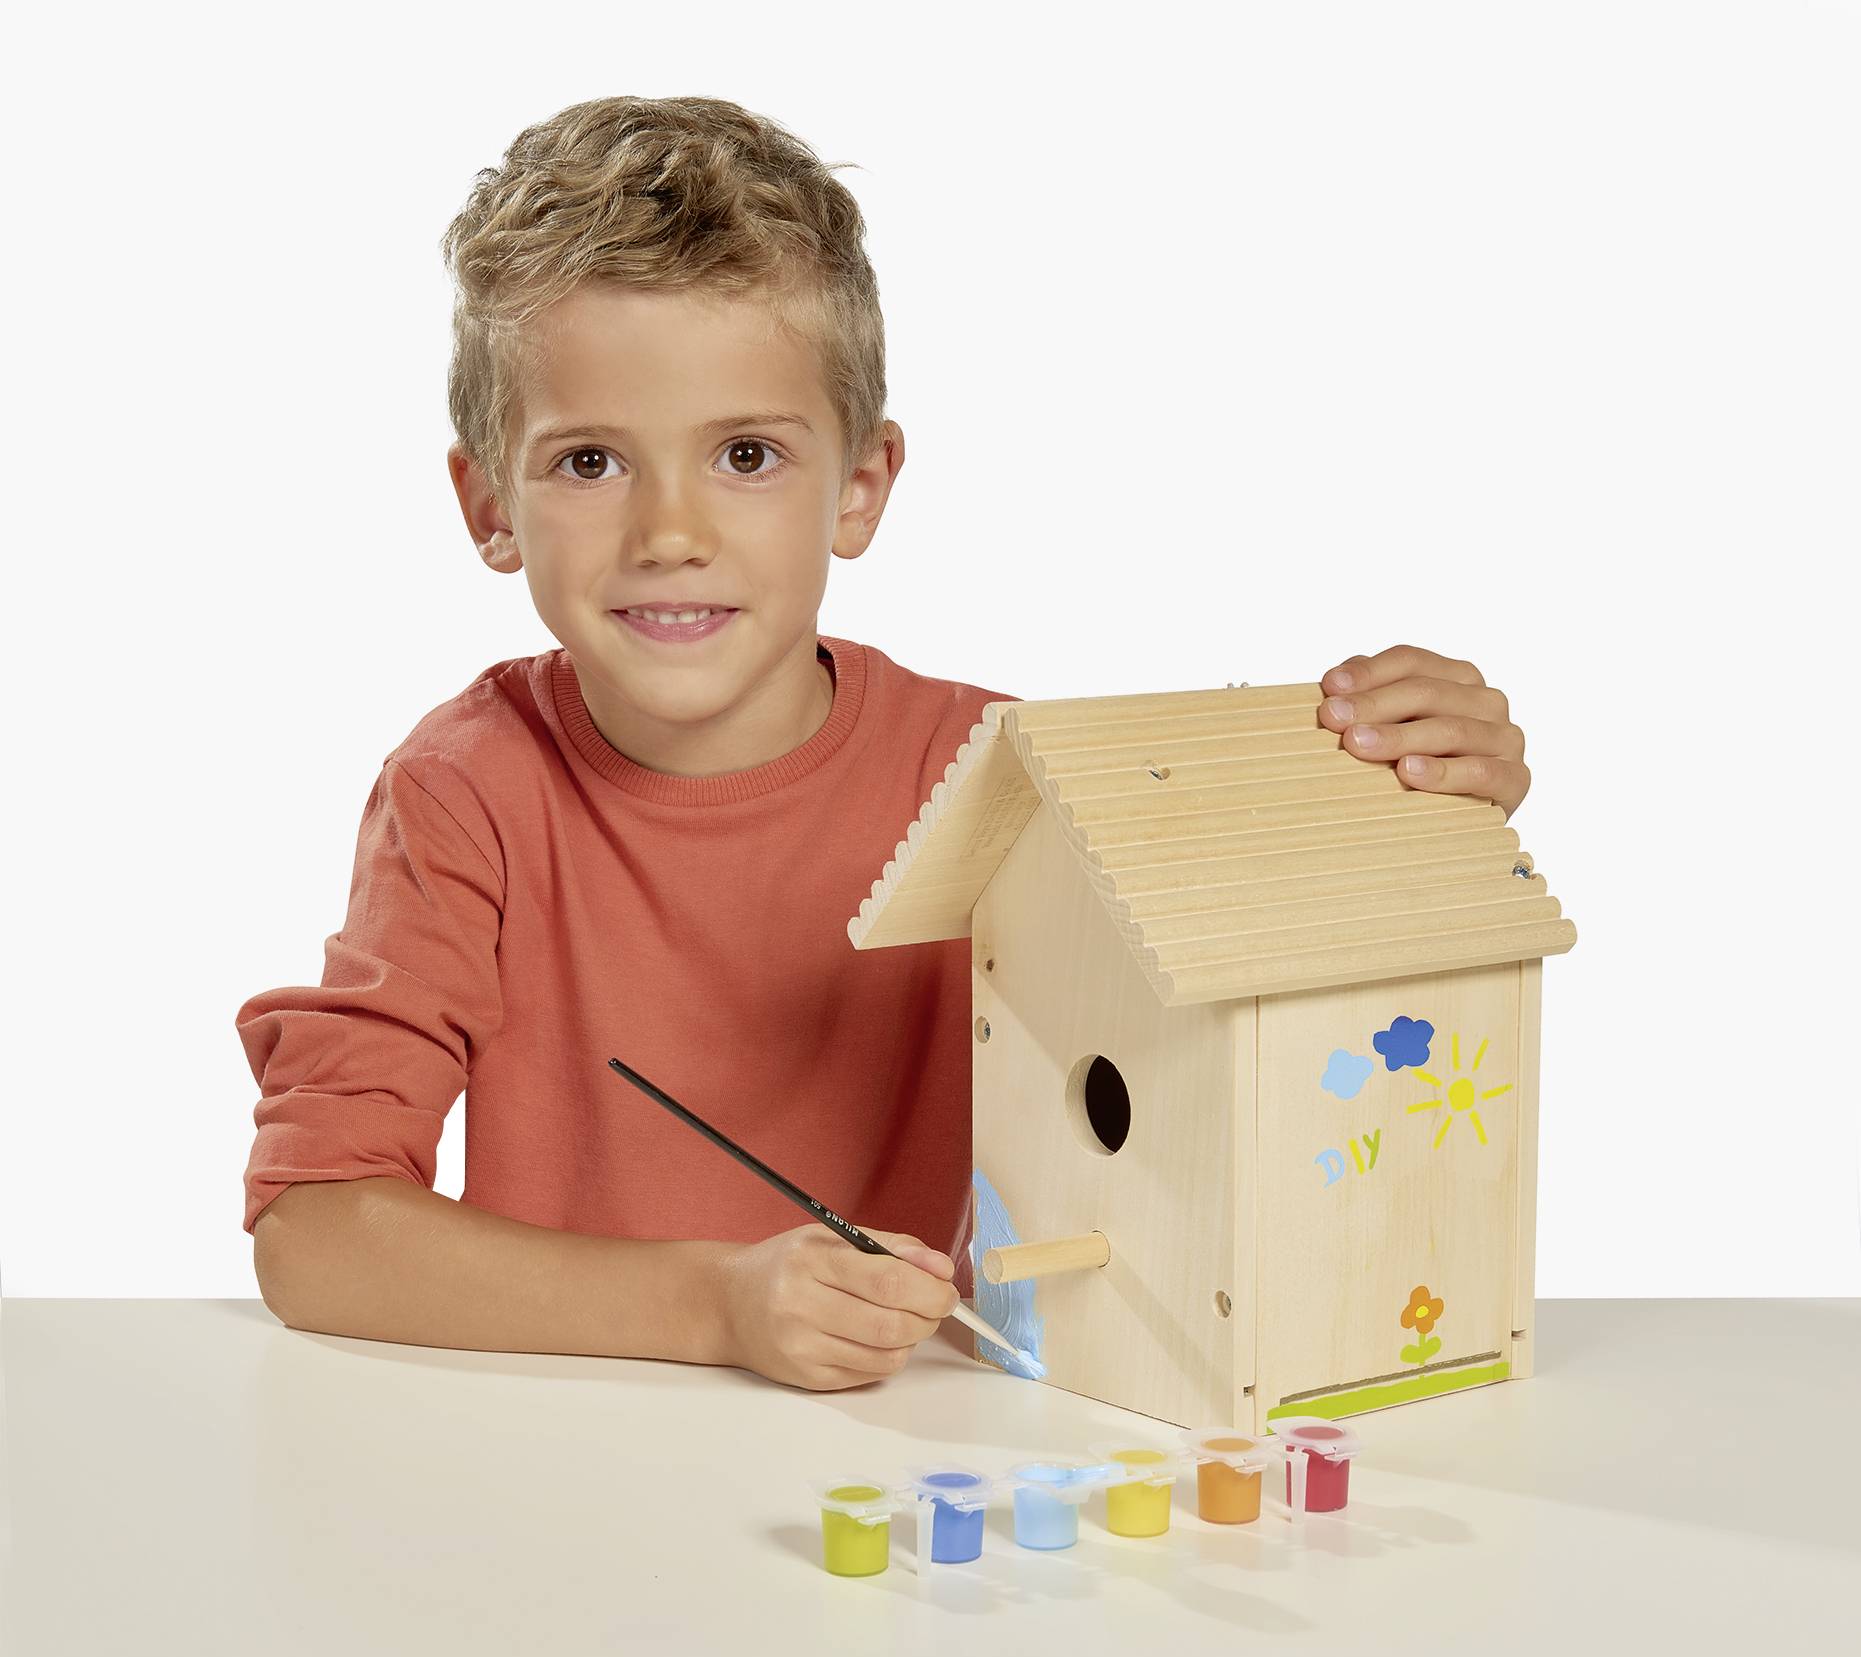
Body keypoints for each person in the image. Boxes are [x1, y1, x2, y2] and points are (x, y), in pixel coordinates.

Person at [235, 94, 1532, 1393]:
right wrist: (715, 1304)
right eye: (589, 463)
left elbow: (1242, 977)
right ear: (488, 504)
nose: (669, 530)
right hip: (585, 1445)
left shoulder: (981, 774)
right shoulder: (466, 790)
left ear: (858, 489)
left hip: (918, 1453)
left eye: (745, 453)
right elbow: (316, 1233)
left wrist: (1420, 800)